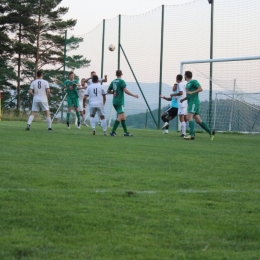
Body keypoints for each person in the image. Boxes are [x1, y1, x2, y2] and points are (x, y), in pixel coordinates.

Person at [180, 71, 215, 140]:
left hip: (193, 103)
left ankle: (191, 134)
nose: (184, 76)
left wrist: (192, 92)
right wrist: (183, 99)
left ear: (186, 75)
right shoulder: (187, 84)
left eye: (184, 75)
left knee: (188, 118)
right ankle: (210, 132)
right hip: (191, 102)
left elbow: (200, 89)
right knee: (198, 120)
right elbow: (189, 94)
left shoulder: (194, 81)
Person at [107, 69, 139, 136]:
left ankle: (126, 132)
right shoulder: (122, 82)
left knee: (123, 117)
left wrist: (114, 92)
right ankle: (113, 131)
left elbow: (108, 91)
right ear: (122, 74)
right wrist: (134, 95)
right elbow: (126, 91)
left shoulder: (113, 81)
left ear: (116, 74)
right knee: (120, 116)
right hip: (119, 102)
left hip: (114, 101)